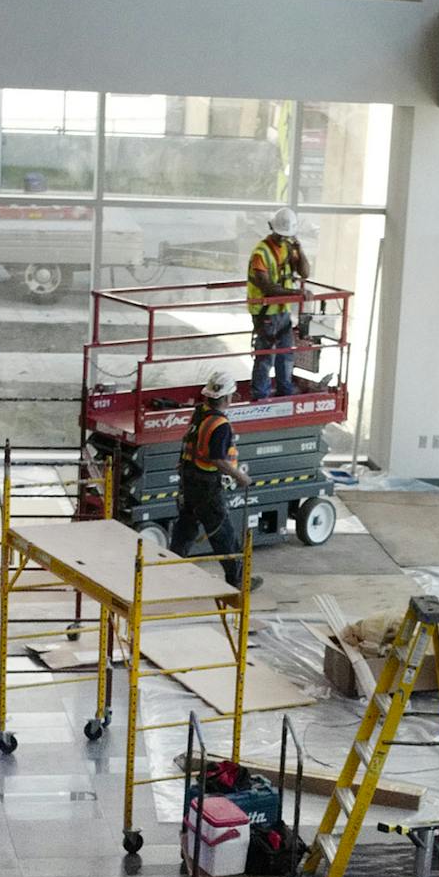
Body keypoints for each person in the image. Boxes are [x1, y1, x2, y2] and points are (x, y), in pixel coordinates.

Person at [168, 370, 260, 591]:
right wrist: (241, 477)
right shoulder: (220, 424)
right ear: (228, 398)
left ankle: (167, 570)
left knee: (185, 529)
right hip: (206, 486)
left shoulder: (200, 413)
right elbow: (217, 458)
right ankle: (238, 579)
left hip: (189, 481)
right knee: (223, 533)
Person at [247, 207, 310, 400]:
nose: (284, 238)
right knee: (266, 356)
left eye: (287, 235)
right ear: (271, 228)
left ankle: (285, 390)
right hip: (265, 313)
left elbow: (305, 272)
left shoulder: (287, 248)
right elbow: (267, 287)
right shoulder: (261, 253)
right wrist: (296, 292)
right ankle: (260, 395)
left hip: (282, 312)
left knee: (285, 354)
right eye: (281, 235)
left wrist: (298, 248)